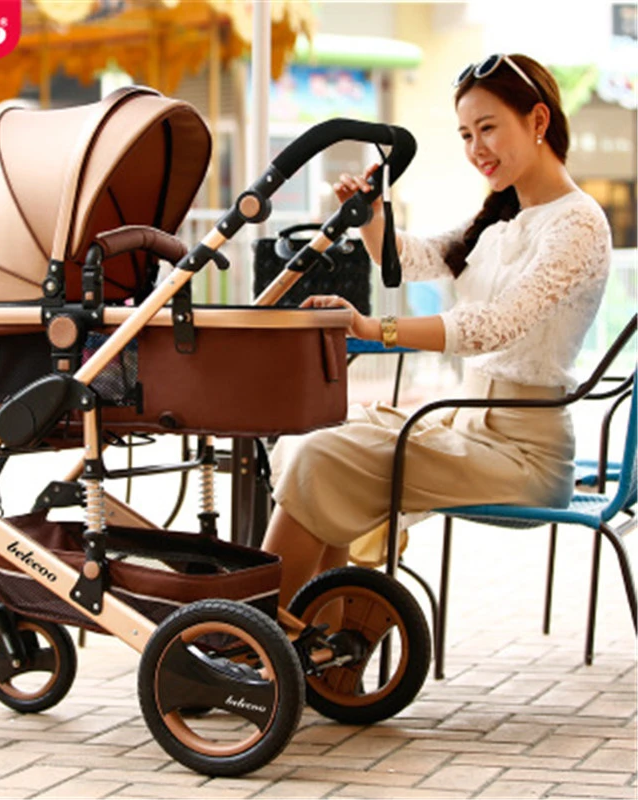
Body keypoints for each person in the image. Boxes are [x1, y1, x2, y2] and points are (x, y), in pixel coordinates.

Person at [261, 53, 612, 607]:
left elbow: (494, 326)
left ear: (539, 121)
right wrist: (371, 216)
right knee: (311, 438)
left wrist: (373, 327)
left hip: (523, 455)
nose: (476, 149)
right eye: (466, 135)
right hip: (464, 427)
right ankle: (318, 637)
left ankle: (260, 632)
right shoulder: (502, 215)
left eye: (488, 128)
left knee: (322, 458)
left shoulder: (578, 223)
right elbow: (415, 258)